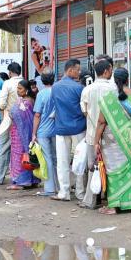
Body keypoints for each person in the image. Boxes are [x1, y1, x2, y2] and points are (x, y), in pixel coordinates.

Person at [94, 68, 131, 214]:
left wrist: (96, 141)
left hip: (112, 137)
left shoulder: (109, 98)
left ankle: (114, 205)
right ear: (128, 78)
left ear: (114, 79)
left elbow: (102, 122)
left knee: (113, 170)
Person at [79, 59, 117, 209]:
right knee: (110, 166)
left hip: (91, 134)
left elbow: (84, 111)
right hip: (110, 134)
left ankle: (93, 200)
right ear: (107, 71)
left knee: (93, 167)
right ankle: (110, 198)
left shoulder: (87, 90)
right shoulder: (113, 89)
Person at [50, 59, 87, 202]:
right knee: (80, 161)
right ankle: (80, 192)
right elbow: (84, 109)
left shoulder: (55, 87)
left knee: (62, 161)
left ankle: (64, 192)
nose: (79, 72)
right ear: (70, 70)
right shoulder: (79, 88)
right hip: (78, 127)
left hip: (61, 128)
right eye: (77, 69)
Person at [0, 63, 23, 185]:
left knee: (4, 148)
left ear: (10, 72)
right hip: (25, 119)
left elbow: (1, 104)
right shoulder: (25, 82)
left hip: (9, 118)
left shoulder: (7, 83)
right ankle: (22, 176)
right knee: (22, 148)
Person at [7, 80, 39, 190]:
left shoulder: (25, 103)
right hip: (23, 132)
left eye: (20, 88)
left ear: (26, 90)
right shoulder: (26, 101)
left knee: (21, 156)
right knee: (29, 155)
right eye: (17, 88)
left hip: (21, 134)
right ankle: (32, 180)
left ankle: (21, 182)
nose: (17, 90)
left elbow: (15, 114)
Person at [32, 71, 58, 196]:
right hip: (56, 129)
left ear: (42, 81)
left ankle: (49, 189)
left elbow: (37, 115)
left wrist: (33, 133)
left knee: (47, 159)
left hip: (43, 131)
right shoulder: (57, 92)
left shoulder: (41, 94)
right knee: (56, 158)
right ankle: (60, 187)